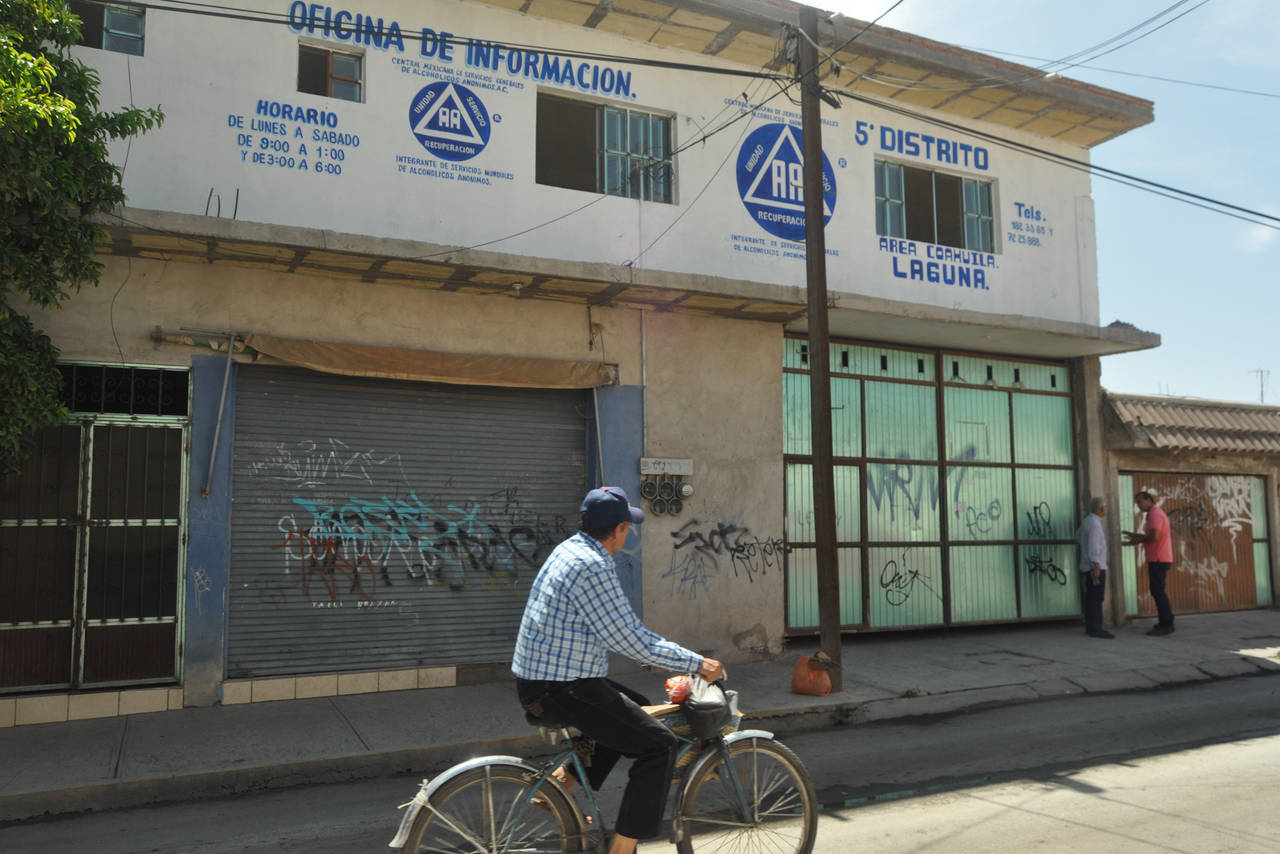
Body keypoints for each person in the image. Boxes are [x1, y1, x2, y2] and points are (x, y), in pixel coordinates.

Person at [512, 486, 723, 854]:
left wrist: (654, 656)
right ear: (620, 529)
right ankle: (622, 849)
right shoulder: (592, 565)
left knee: (635, 709)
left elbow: (609, 631)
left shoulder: (569, 549)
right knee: (659, 746)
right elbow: (627, 636)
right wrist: (696, 663)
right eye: (628, 526)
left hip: (545, 680)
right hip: (559, 687)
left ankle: (563, 781)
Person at [1124, 490, 1175, 635]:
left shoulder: (1155, 514)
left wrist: (1138, 539)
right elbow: (1151, 535)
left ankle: (1166, 624)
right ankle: (1167, 621)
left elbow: (1154, 536)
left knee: (1158, 592)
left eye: (1140, 502)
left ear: (1149, 500)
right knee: (1158, 591)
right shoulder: (1155, 513)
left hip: (1158, 559)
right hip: (1159, 558)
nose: (1138, 505)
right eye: (1137, 503)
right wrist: (1136, 536)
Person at [1076, 497, 1113, 638]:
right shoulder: (1095, 524)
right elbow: (1093, 547)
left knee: (1091, 597)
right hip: (1096, 566)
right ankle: (1096, 628)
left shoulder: (1088, 521)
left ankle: (1091, 627)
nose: (1106, 510)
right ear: (1101, 509)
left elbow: (1078, 536)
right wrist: (1096, 566)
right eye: (1106, 507)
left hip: (1088, 565)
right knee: (1096, 598)